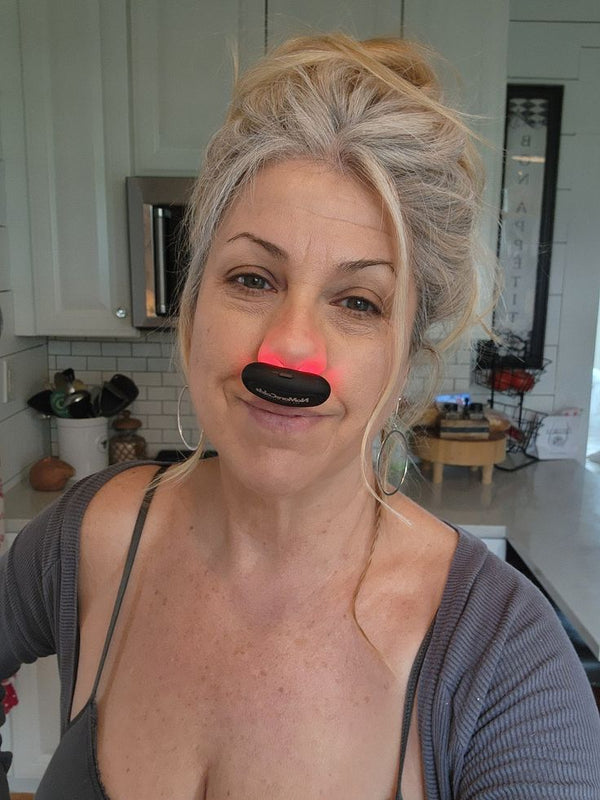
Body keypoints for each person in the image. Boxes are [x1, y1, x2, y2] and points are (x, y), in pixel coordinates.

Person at [1, 33, 599, 800]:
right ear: (194, 306)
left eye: (359, 302)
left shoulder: (506, 665)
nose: (288, 347)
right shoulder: (83, 539)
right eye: (253, 278)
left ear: (405, 358)